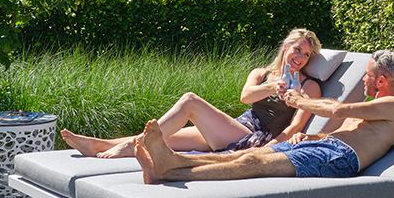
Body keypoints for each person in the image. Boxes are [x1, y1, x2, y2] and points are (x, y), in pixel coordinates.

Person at [134, 50, 394, 184]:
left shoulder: (393, 106)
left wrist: (300, 101)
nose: (363, 79)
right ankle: (170, 163)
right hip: (324, 145)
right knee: (244, 154)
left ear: (381, 80)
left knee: (252, 162)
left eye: (367, 75)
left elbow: (338, 110)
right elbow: (342, 131)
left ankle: (168, 174)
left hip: (340, 158)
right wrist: (310, 135)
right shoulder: (374, 108)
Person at [60, 28, 325, 158]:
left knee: (190, 101)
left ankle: (126, 147)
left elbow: (294, 127)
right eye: (297, 49)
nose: (300, 57)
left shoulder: (309, 87)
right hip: (236, 127)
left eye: (306, 54)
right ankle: (96, 145)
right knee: (163, 139)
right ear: (285, 47)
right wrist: (271, 87)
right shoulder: (261, 74)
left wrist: (267, 151)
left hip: (255, 138)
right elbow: (245, 98)